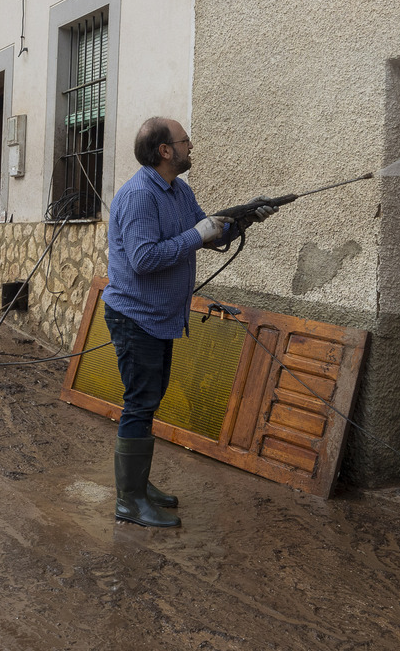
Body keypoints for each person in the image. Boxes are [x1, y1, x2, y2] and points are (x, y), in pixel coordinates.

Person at [102, 117, 276, 528]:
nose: (190, 145)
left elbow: (208, 233)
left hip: (160, 316)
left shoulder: (179, 190)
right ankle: (128, 501)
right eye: (184, 140)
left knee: (150, 399)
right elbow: (145, 260)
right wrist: (197, 234)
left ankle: (139, 487)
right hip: (135, 316)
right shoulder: (140, 196)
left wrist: (244, 218)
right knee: (140, 402)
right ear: (165, 150)